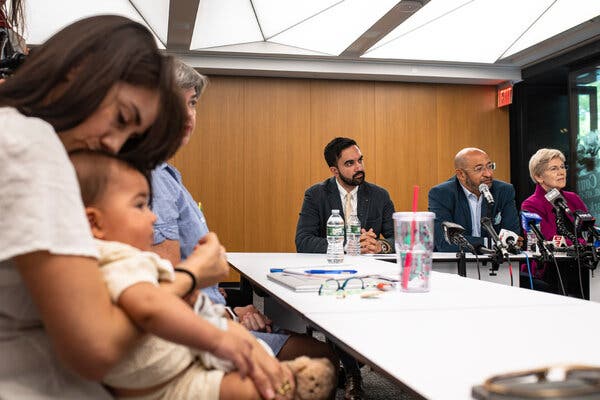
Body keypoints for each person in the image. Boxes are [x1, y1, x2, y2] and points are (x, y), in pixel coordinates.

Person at [0, 15, 283, 400]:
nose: (112, 146)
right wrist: (192, 275)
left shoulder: (27, 138)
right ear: (78, 72)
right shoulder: (32, 147)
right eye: (120, 118)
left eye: (129, 135)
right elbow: (96, 346)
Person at [71, 149, 300, 400]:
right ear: (95, 223)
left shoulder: (126, 258)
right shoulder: (118, 260)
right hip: (165, 377)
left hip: (171, 365)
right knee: (267, 386)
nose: (153, 216)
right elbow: (150, 306)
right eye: (139, 206)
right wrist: (218, 335)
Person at [150, 60, 338, 366]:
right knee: (320, 357)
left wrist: (234, 308)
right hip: (197, 329)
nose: (188, 115)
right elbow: (168, 286)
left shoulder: (169, 174)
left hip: (212, 312)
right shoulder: (153, 178)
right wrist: (225, 315)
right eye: (175, 104)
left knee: (302, 341)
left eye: (193, 103)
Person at [295, 137, 395, 255]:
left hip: (368, 267)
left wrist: (380, 246)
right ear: (335, 170)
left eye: (360, 160)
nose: (359, 167)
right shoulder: (316, 195)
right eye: (350, 163)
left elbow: (399, 238)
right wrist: (348, 245)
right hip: (330, 267)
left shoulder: (379, 195)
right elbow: (303, 241)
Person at [521, 148, 590, 294]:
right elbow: (548, 240)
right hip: (548, 270)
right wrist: (581, 244)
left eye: (562, 167)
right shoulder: (531, 204)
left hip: (579, 265)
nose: (561, 172)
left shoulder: (573, 198)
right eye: (554, 168)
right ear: (539, 176)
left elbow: (588, 229)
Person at [428, 147, 520, 252]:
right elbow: (445, 242)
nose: (488, 174)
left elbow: (512, 237)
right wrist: (489, 243)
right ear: (461, 174)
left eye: (490, 166)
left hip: (498, 263)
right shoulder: (441, 194)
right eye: (479, 169)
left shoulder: (504, 191)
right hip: (454, 264)